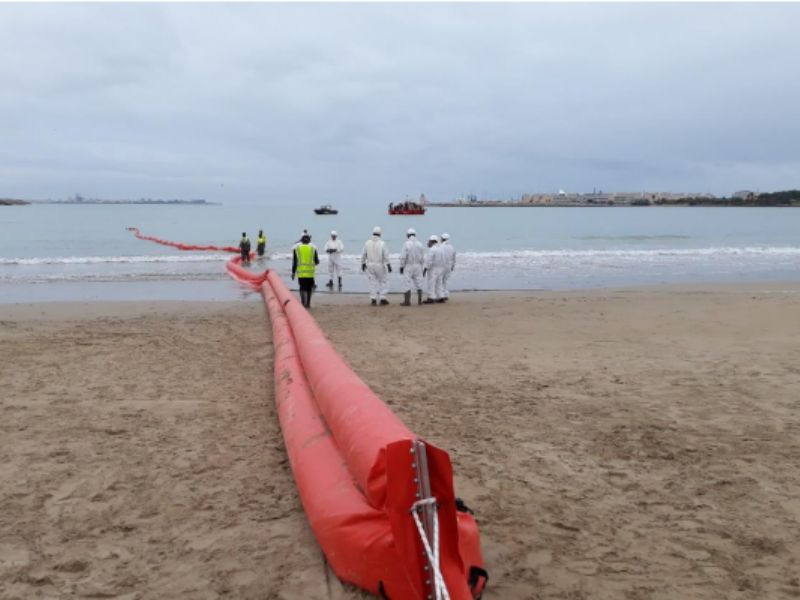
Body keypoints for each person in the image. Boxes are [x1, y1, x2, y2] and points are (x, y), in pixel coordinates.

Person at [361, 226, 392, 305]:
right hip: (379, 265)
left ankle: (373, 299)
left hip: (370, 265)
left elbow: (364, 254)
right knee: (383, 281)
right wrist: (388, 265)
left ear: (373, 233)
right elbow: (386, 256)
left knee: (372, 282)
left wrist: (363, 263)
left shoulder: (367, 243)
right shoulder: (382, 243)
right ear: (380, 234)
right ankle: (382, 298)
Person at [291, 234, 319, 308]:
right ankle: (308, 303)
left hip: (301, 273)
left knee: (302, 287)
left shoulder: (297, 249)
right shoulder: (313, 248)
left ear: (301, 241)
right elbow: (317, 261)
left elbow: (294, 262)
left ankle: (303, 302)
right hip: (310, 273)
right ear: (309, 241)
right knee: (309, 288)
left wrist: (293, 272)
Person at [399, 228, 425, 306]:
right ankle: (420, 301)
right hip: (418, 265)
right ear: (415, 235)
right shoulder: (420, 244)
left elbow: (403, 256)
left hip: (408, 265)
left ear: (407, 235)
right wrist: (421, 266)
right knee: (419, 283)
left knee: (407, 283)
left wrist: (401, 266)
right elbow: (422, 257)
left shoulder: (406, 244)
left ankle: (407, 301)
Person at [439, 232, 456, 302]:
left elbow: (438, 257)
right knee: (445, 281)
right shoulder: (452, 247)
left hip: (442, 265)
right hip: (449, 266)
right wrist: (452, 266)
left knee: (440, 281)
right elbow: (454, 258)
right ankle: (446, 294)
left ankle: (441, 295)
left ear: (442, 239)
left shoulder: (440, 246)